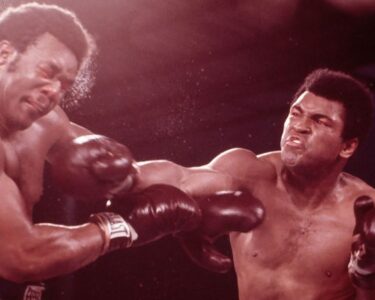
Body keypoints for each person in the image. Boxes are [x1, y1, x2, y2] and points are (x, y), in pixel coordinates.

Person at [0, 3, 265, 299]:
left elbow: (131, 176)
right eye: (47, 71)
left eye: (64, 85)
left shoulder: (47, 123)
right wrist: (122, 226)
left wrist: (218, 196)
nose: (53, 92)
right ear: (4, 54)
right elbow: (21, 257)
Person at [132, 68, 375, 299]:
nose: (299, 126)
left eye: (320, 121)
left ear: (348, 146)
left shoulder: (366, 213)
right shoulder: (248, 175)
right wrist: (125, 171)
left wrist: (366, 278)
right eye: (295, 113)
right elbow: (180, 177)